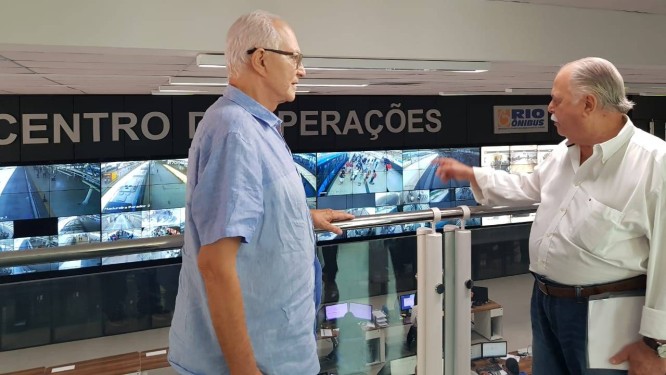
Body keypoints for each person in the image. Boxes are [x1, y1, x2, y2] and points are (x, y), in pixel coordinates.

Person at [435, 57, 666, 375]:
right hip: (545, 303)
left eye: (557, 99)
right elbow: (525, 188)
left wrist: (658, 346)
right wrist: (471, 174)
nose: (549, 108)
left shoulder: (654, 163)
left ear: (588, 103)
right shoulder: (564, 152)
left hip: (606, 313)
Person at [167, 10, 353, 375]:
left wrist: (299, 218)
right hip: (256, 364)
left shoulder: (259, 127)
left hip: (281, 353)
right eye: (295, 58)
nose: (302, 70)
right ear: (262, 60)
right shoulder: (235, 132)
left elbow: (244, 212)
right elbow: (215, 265)